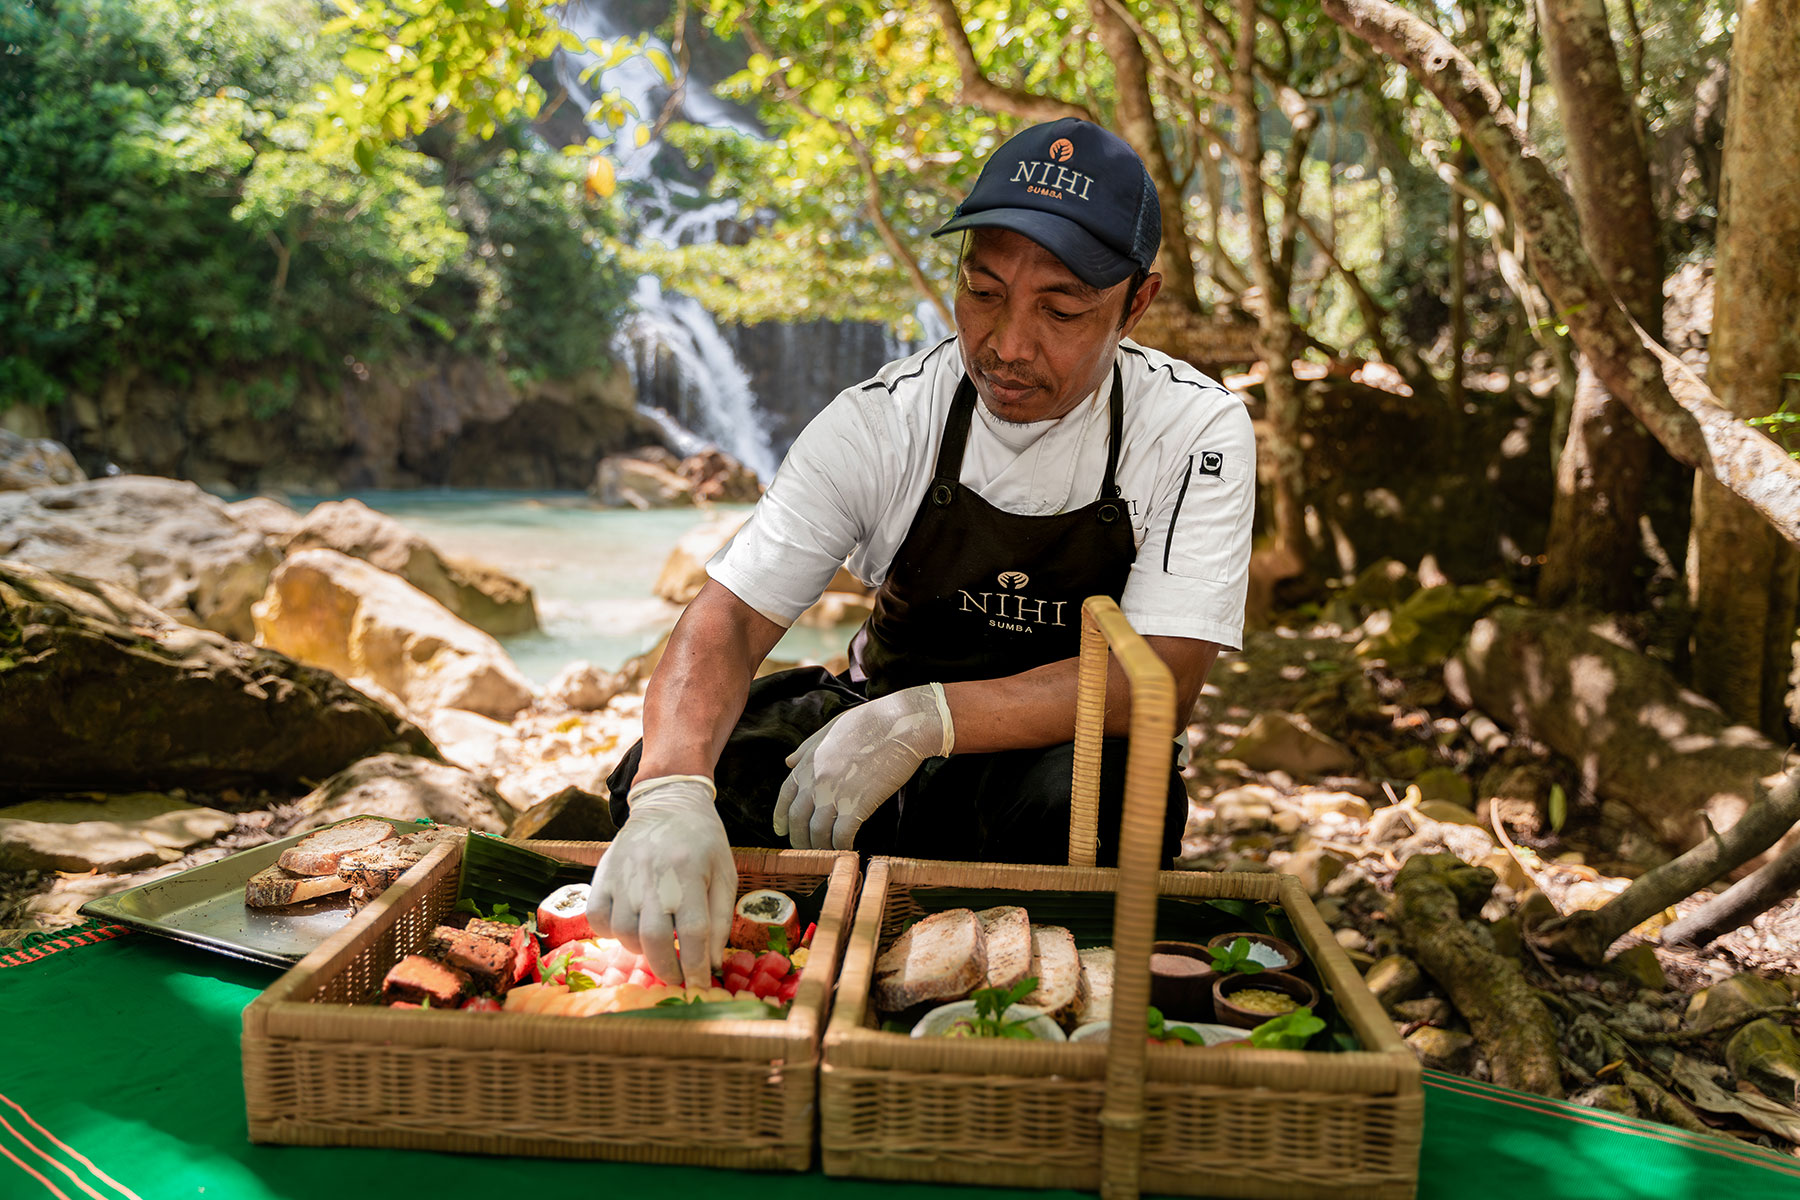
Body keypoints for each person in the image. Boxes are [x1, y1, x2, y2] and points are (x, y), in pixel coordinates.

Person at [588, 117, 1256, 989]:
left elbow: (1161, 676)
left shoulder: (1194, 429)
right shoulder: (885, 419)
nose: (1009, 345)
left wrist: (929, 720)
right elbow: (729, 618)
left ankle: (1035, 1001)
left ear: (1137, 303)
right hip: (880, 747)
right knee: (679, 771)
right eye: (984, 293)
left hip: (1051, 767)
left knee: (1101, 792)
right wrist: (672, 793)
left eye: (1060, 310)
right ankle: (757, 984)